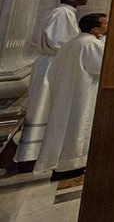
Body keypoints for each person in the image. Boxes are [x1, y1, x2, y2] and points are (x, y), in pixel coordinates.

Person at [16, 0, 86, 172]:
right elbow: (59, 42)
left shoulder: (65, 13)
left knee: (49, 106)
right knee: (44, 107)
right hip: (54, 65)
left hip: (55, 63)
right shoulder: (62, 13)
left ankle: (42, 152)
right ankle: (32, 154)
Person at [34, 13, 107, 180]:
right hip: (83, 93)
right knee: (79, 126)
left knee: (66, 128)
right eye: (105, 24)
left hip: (68, 92)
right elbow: (101, 67)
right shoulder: (90, 43)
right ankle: (72, 164)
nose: (108, 26)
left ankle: (65, 164)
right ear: (95, 29)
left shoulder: (73, 42)